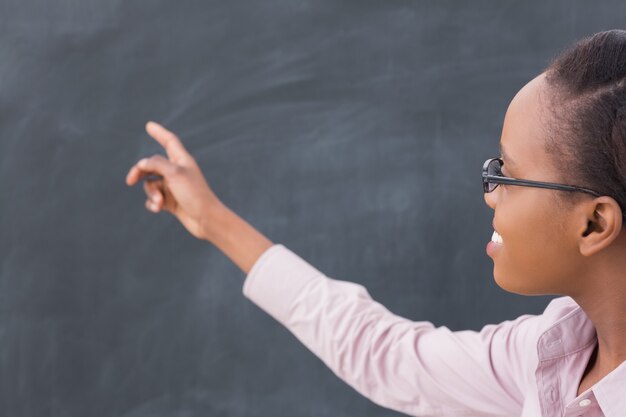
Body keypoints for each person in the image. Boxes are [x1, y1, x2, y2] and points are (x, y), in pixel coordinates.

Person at [125, 30, 626, 417]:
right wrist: (211, 219)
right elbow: (385, 352)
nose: (491, 195)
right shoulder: (551, 354)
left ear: (594, 224)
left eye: (508, 176)